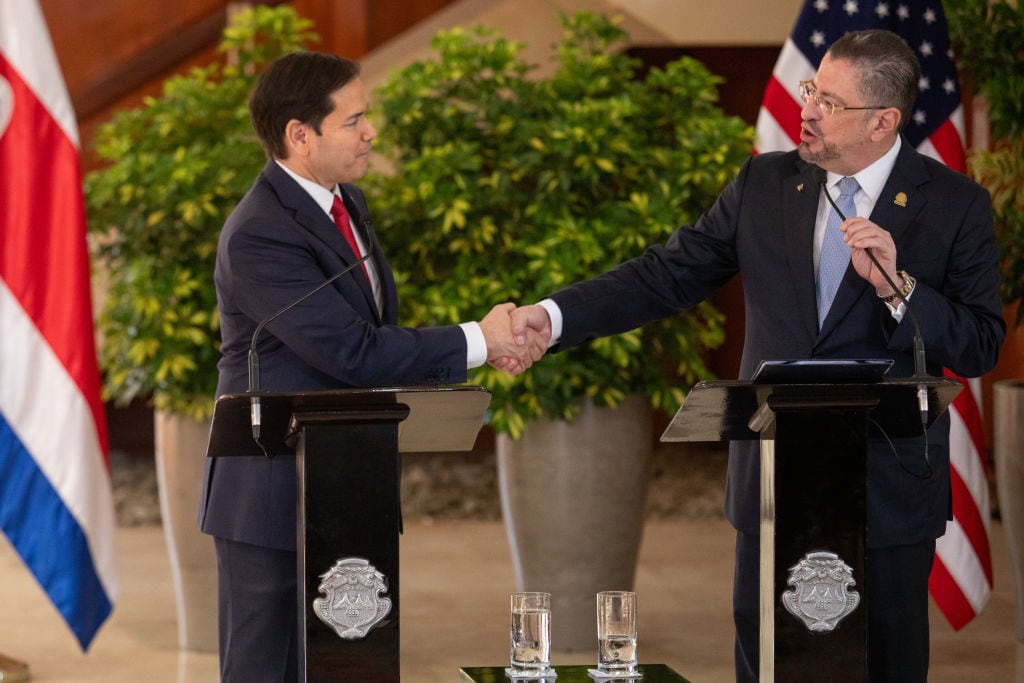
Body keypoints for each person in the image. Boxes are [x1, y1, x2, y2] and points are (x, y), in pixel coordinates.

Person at [507, 29, 1005, 682]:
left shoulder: (955, 205)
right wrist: (552, 316)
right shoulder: (764, 184)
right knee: (766, 662)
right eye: (811, 90)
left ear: (883, 122)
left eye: (830, 102)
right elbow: (664, 276)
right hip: (772, 487)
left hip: (887, 496)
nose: (808, 109)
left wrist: (899, 288)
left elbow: (979, 342)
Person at [198, 51, 543, 682]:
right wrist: (480, 339)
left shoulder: (347, 202)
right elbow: (352, 352)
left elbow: (373, 334)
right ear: (299, 135)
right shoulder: (259, 233)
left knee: (353, 664)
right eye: (353, 121)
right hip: (273, 491)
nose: (371, 132)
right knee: (267, 669)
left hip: (348, 479)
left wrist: (482, 344)